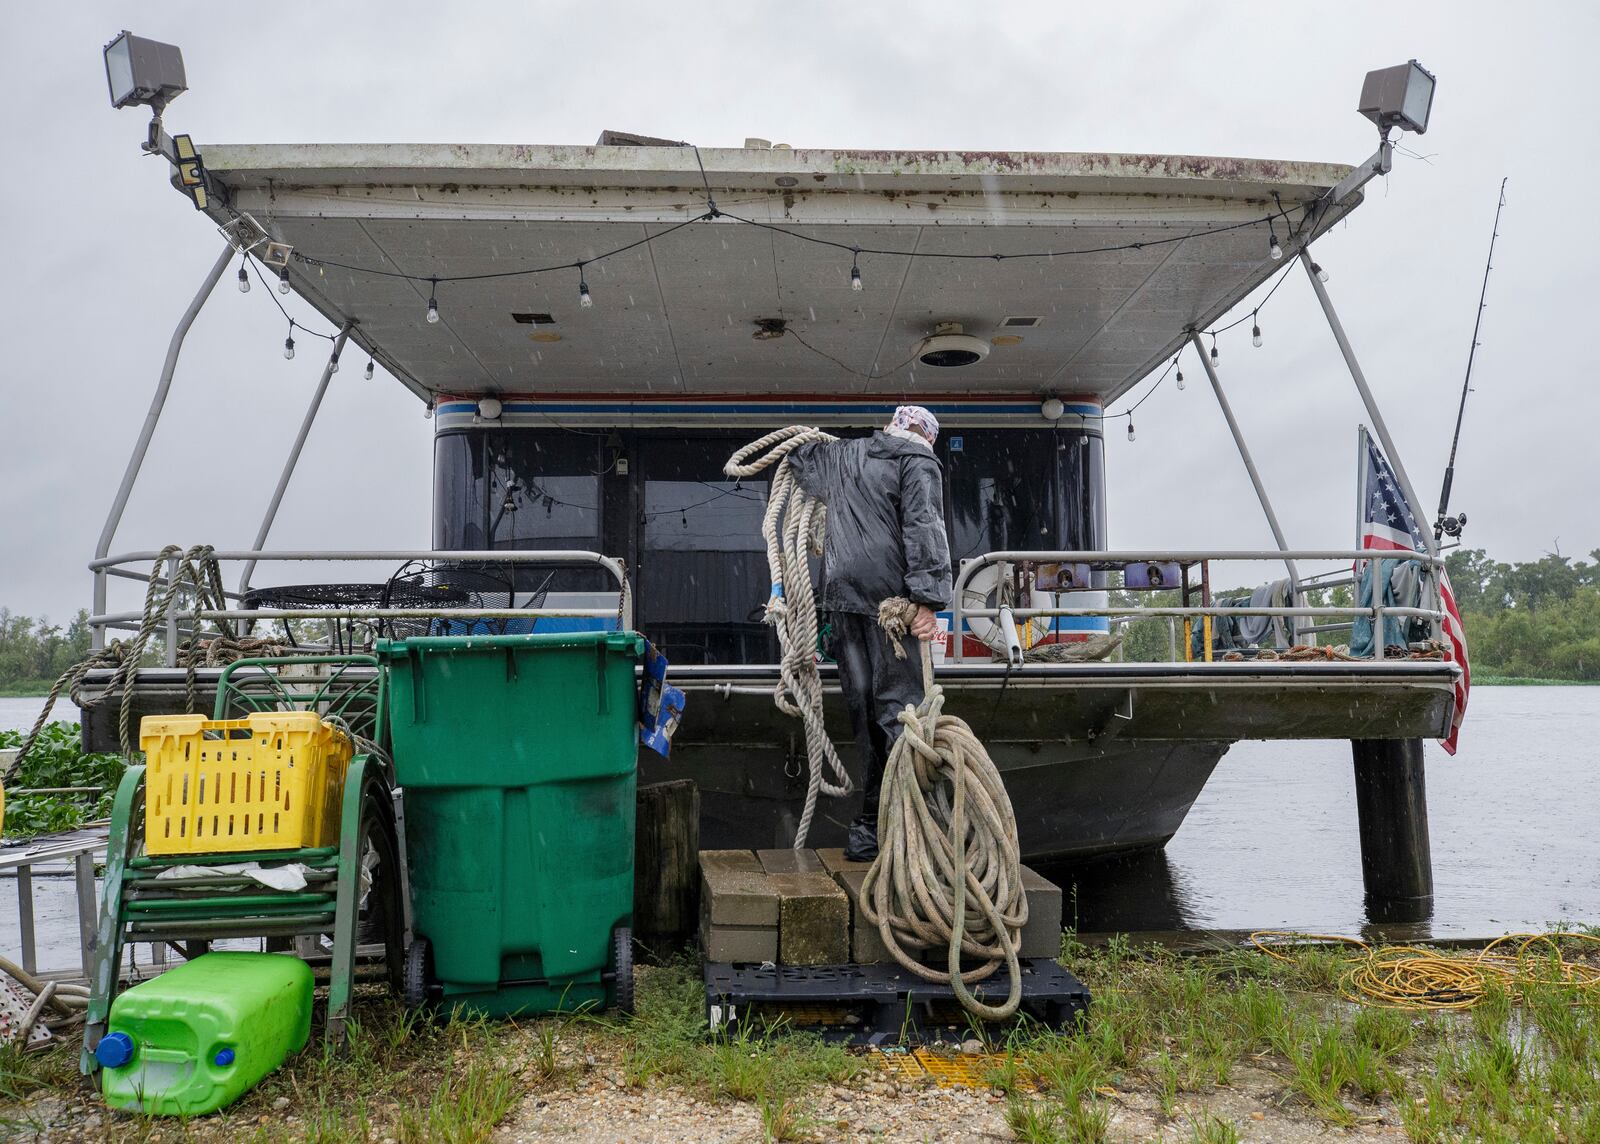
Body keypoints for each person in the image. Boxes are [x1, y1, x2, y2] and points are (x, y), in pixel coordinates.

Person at [786, 406, 953, 861]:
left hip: (841, 603)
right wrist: (928, 600)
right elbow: (924, 528)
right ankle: (912, 831)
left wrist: (822, 442)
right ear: (926, 436)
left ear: (891, 425)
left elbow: (800, 461)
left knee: (865, 719)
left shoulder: (842, 456)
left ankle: (867, 832)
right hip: (890, 610)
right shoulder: (917, 462)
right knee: (902, 715)